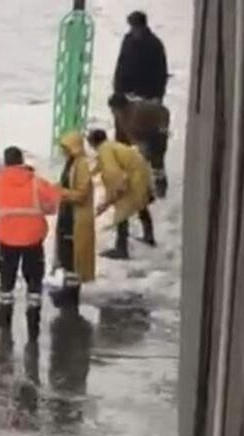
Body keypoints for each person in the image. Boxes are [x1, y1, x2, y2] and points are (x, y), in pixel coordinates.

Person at [0, 146, 62, 340]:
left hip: (7, 237)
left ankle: (4, 316)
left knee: (7, 278)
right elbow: (52, 205)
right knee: (34, 279)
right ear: (22, 161)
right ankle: (33, 318)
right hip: (33, 238)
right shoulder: (37, 183)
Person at [88, 128, 155, 258]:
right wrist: (88, 174)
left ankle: (121, 249)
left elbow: (113, 173)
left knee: (122, 211)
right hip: (141, 173)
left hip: (134, 177)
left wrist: (113, 196)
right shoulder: (109, 146)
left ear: (93, 142)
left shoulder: (105, 151)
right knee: (140, 204)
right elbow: (101, 166)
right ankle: (149, 235)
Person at [53, 131, 96, 309]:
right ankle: (67, 289)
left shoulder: (82, 165)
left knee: (73, 256)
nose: (63, 151)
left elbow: (81, 194)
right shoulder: (71, 163)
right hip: (67, 214)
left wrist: (60, 192)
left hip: (76, 217)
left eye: (65, 147)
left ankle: (71, 295)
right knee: (66, 254)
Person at [109, 92, 171, 198]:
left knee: (157, 163)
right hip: (141, 141)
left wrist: (163, 127)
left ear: (121, 107)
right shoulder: (120, 117)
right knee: (142, 164)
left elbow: (163, 111)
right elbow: (122, 134)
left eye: (113, 109)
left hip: (155, 136)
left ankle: (160, 187)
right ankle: (145, 189)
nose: (112, 112)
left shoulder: (139, 109)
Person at [114, 11, 169, 103]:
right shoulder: (128, 41)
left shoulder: (155, 44)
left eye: (134, 27)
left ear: (142, 27)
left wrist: (158, 95)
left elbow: (161, 71)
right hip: (127, 94)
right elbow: (121, 65)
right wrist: (118, 90)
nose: (132, 30)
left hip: (148, 96)